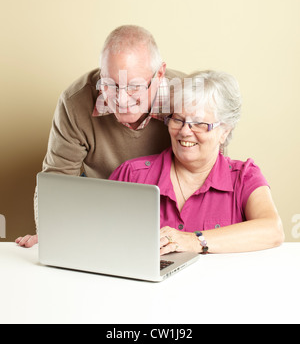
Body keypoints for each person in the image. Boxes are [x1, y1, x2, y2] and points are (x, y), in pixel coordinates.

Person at [16, 25, 186, 248]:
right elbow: (57, 180)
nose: (122, 100)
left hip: (174, 220)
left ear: (160, 74)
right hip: (105, 219)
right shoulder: (75, 101)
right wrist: (51, 231)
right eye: (110, 85)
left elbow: (210, 169)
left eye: (134, 87)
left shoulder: (189, 96)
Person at [109, 70, 285, 255]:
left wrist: (195, 241)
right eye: (178, 120)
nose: (185, 131)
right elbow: (98, 233)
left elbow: (273, 230)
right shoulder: (131, 174)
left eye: (199, 123)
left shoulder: (244, 177)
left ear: (224, 131)